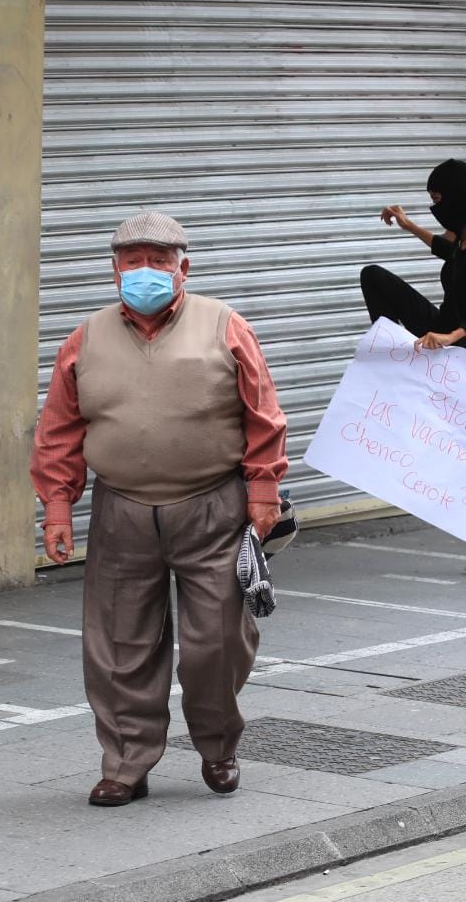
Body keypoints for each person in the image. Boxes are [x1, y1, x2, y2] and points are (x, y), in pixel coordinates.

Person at [31, 211, 288, 807]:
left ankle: (218, 746)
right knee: (119, 646)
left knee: (217, 642)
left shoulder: (225, 327)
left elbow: (263, 416)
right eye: (133, 260)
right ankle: (126, 764)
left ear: (183, 268)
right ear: (114, 268)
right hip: (121, 510)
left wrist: (263, 492)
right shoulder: (85, 338)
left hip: (213, 510)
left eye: (159, 260)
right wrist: (59, 508)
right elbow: (59, 431)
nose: (145, 271)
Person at [370, 159, 466, 576]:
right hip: (440, 338)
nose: (434, 209)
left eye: (437, 200)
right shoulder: (464, 238)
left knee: (464, 452)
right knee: (374, 277)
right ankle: (395, 360)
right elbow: (446, 252)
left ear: (458, 198)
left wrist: (455, 335)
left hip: (465, 355)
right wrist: (408, 225)